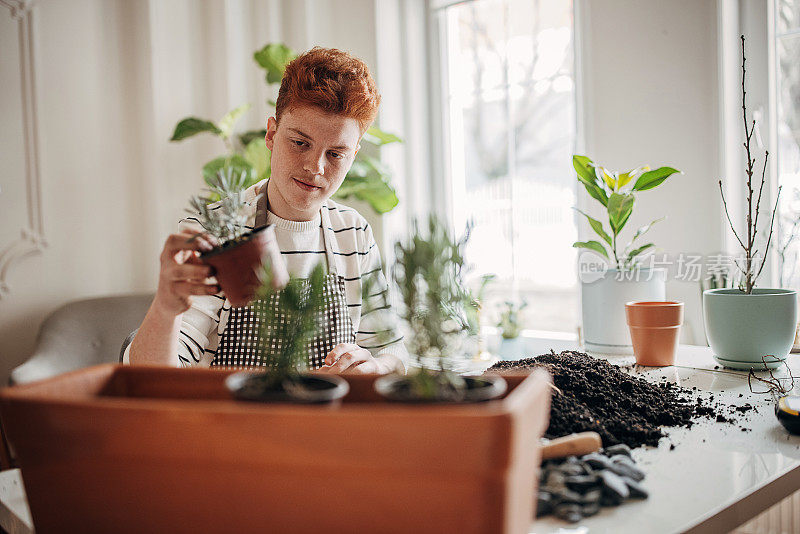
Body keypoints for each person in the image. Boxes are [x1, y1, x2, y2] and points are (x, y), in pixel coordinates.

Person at [126, 47, 407, 374]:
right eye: (300, 143)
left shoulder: (354, 234)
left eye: (335, 155)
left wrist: (371, 366)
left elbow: (392, 352)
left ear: (354, 155)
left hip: (326, 421)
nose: (314, 168)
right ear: (271, 134)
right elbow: (156, 375)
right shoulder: (217, 230)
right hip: (235, 422)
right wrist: (165, 307)